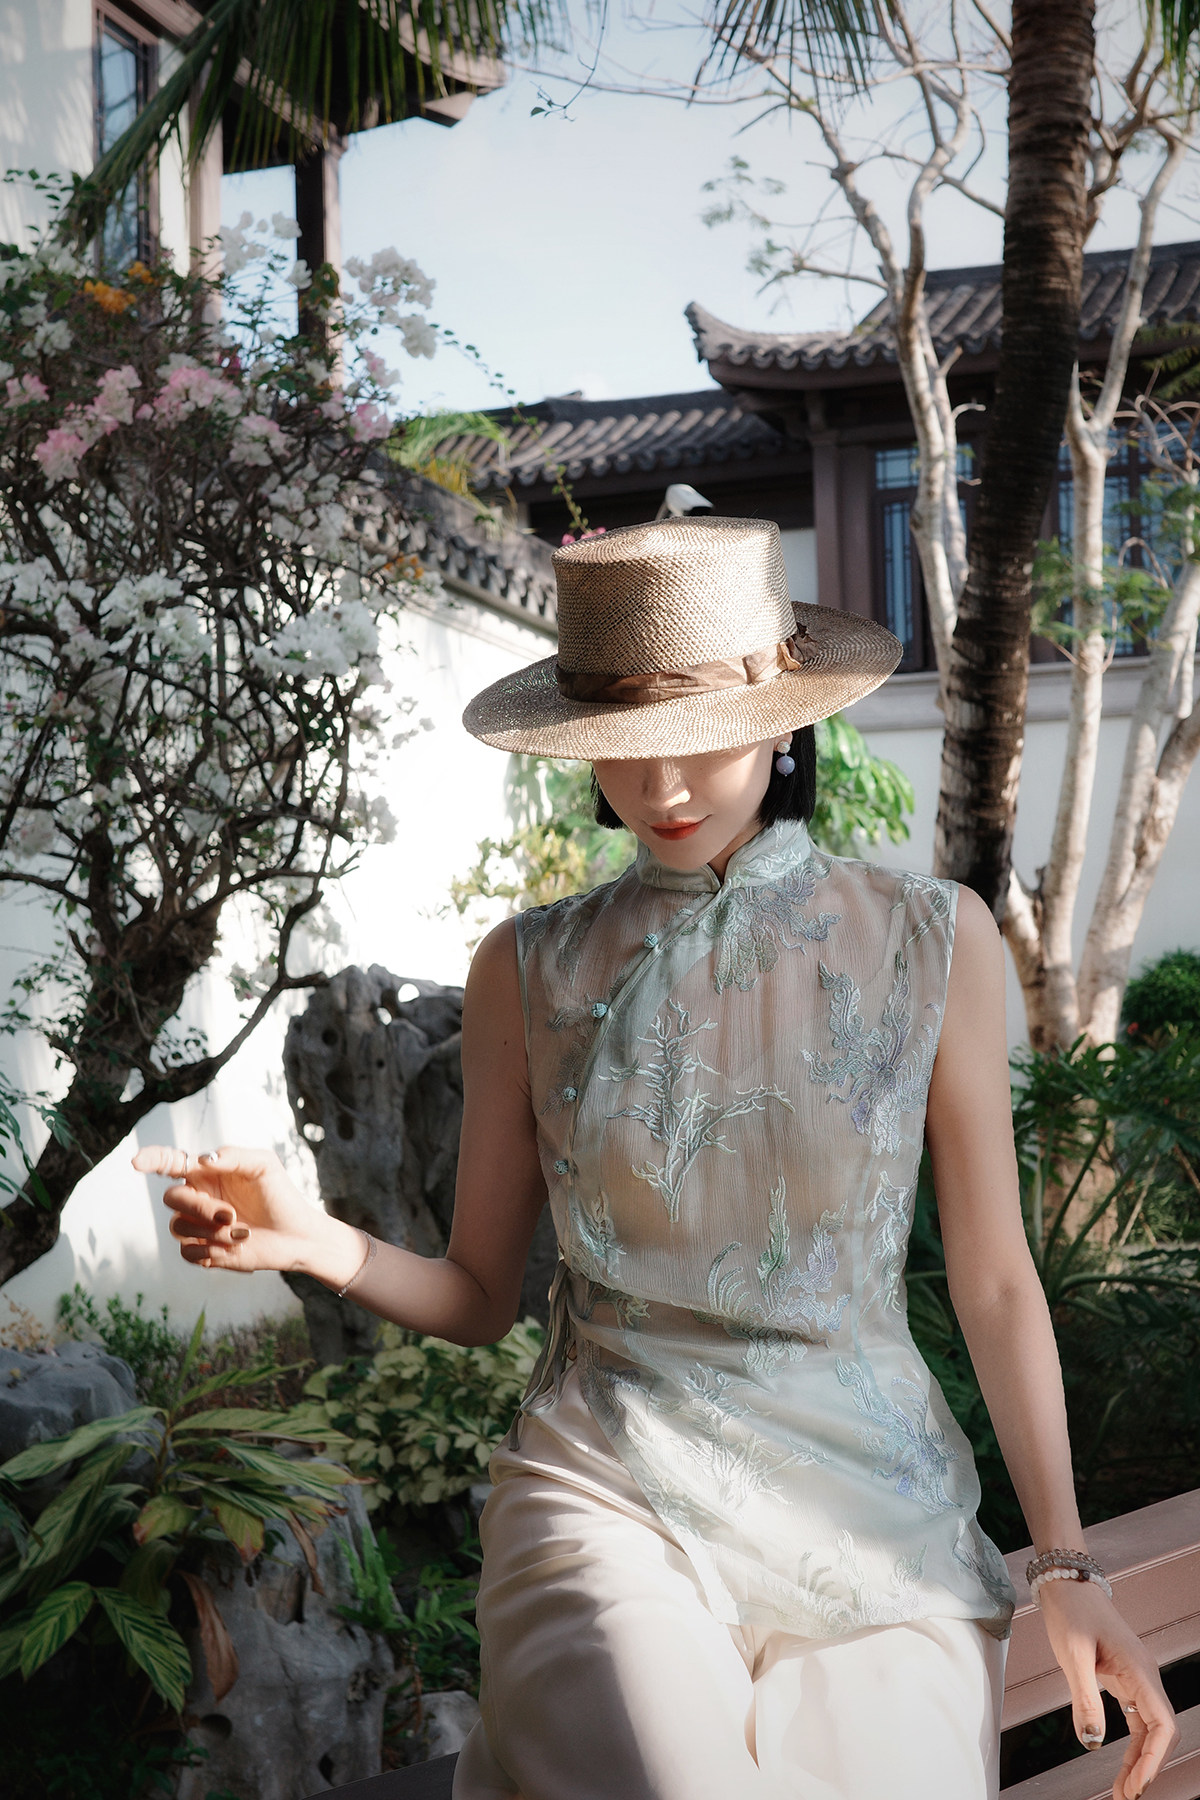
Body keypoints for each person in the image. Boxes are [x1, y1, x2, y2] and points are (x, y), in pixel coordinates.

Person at [135, 517, 1176, 1800]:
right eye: (625, 744)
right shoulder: (528, 968)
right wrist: (314, 1240)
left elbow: (997, 1281)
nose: (664, 786)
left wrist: (1064, 1564)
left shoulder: (930, 940)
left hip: (873, 1510)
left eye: (702, 737)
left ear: (783, 719)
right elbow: (478, 1295)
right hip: (604, 1485)